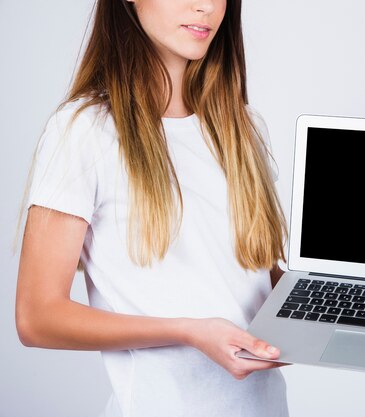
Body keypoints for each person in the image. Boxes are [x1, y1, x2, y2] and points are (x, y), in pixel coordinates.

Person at [15, 0, 290, 416]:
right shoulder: (85, 130)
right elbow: (37, 317)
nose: (206, 7)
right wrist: (189, 332)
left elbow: (256, 281)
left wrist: (330, 300)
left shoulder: (242, 130)